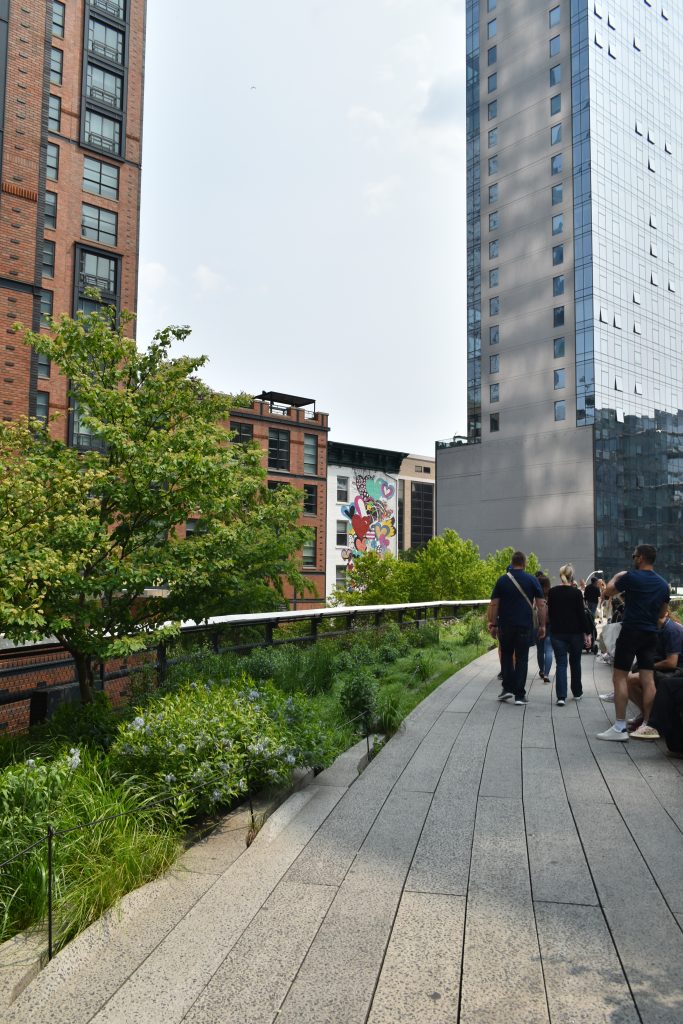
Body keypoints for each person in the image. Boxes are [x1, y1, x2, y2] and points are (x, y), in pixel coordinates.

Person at [596, 544, 670, 741]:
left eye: (634, 555)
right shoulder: (663, 584)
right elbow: (662, 614)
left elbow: (608, 592)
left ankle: (620, 727)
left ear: (640, 558)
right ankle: (648, 724)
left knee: (619, 677)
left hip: (630, 632)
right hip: (650, 634)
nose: (632, 558)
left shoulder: (630, 577)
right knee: (648, 679)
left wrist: (617, 576)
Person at [487, 551, 546, 705]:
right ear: (524, 563)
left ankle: (507, 689)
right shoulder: (532, 579)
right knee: (522, 659)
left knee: (506, 656)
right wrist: (543, 625)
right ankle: (519, 695)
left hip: (505, 626)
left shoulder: (502, 581)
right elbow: (541, 604)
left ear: (512, 562)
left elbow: (494, 604)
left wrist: (493, 624)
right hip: (524, 626)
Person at [626, 610, 683, 739]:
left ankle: (649, 720)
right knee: (629, 678)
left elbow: (672, 663)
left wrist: (648, 666)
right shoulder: (657, 628)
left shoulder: (671, 630)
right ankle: (646, 715)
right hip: (666, 669)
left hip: (675, 671)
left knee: (631, 680)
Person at [547, 564, 587, 706]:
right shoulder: (576, 593)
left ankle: (561, 697)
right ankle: (577, 692)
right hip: (575, 633)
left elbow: (550, 613)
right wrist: (586, 633)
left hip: (557, 633)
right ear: (572, 576)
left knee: (561, 664)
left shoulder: (552, 592)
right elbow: (581, 615)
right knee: (575, 663)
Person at [535, 574, 553, 683]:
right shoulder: (552, 595)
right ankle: (546, 674)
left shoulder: (536, 595)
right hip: (551, 625)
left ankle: (541, 670)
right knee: (549, 649)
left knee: (540, 650)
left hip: (538, 625)